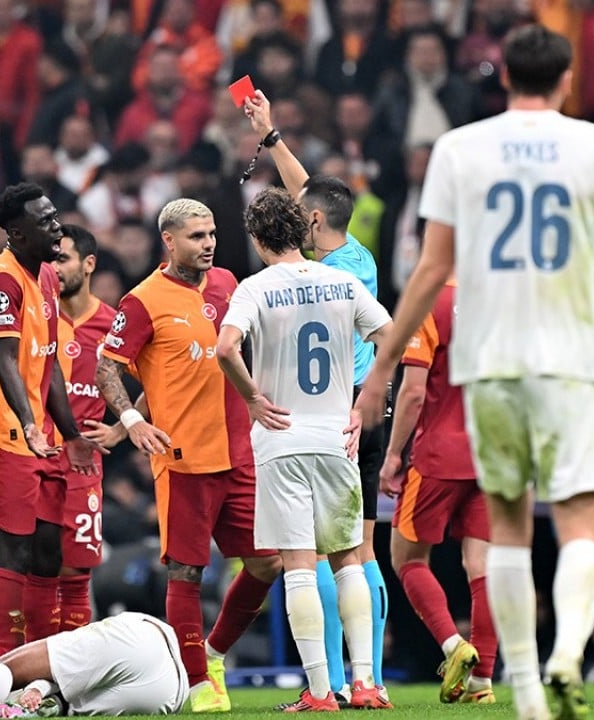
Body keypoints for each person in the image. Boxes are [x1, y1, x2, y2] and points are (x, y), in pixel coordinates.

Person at [353, 25, 594, 720]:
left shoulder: (461, 149)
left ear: (503, 76)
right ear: (568, 78)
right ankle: (568, 655)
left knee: (509, 532)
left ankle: (524, 695)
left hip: (493, 364)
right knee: (578, 523)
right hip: (567, 358)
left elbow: (429, 270)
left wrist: (381, 369)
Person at [95, 198, 283, 712]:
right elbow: (107, 367)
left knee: (269, 564)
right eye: (197, 236)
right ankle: (196, 683)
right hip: (183, 461)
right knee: (186, 572)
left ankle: (214, 653)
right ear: (170, 241)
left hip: (240, 452)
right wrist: (131, 422)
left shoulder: (228, 284)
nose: (208, 244)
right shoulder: (142, 300)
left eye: (212, 234)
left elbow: (177, 372)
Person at [215, 187, 391, 710]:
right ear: (303, 228)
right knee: (349, 560)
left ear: (257, 237)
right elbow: (390, 336)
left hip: (282, 438)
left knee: (298, 565)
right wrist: (365, 404)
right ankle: (365, 684)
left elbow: (225, 347)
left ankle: (319, 692)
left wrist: (251, 397)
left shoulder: (254, 288)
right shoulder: (342, 280)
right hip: (338, 436)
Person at [0, 183, 100, 664]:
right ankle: (2, 671)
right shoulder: (1, 282)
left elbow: (50, 363)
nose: (56, 226)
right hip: (3, 438)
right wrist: (28, 423)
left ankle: (42, 670)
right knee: (9, 557)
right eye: (45, 221)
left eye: (55, 216)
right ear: (17, 232)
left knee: (46, 556)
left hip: (42, 440)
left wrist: (73, 436)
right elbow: (4, 358)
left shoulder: (44, 277)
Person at [379, 269, 497, 705]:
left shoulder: (427, 301)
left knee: (406, 557)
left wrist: (393, 456)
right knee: (481, 563)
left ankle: (453, 645)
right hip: (491, 451)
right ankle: (483, 682)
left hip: (440, 455)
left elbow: (411, 393)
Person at [0, 612, 188, 719]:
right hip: (172, 692)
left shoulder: (84, 644)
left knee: (5, 666)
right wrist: (39, 688)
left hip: (136, 639)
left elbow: (6, 668)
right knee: (67, 703)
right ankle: (39, 704)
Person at [49, 224, 118, 631]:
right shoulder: (36, 317)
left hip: (83, 468)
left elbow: (158, 385)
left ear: (88, 264)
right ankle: (21, 678)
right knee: (27, 572)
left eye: (62, 258)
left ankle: (70, 681)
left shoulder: (114, 325)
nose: (53, 268)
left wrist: (121, 429)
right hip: (33, 458)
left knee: (75, 574)